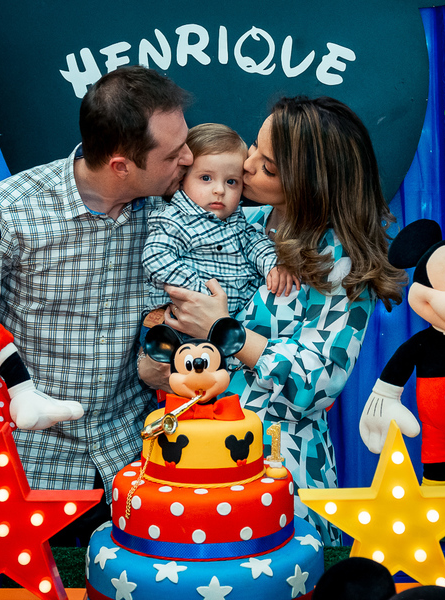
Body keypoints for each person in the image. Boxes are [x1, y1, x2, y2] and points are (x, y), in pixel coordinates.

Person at [152, 96, 407, 545]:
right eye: (254, 148)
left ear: (310, 185)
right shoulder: (236, 217)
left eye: (267, 167)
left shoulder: (339, 261)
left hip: (278, 462)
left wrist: (225, 331)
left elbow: (316, 384)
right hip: (196, 448)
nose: (247, 165)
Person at [0, 66, 193, 544]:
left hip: (133, 459)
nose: (189, 158)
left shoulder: (178, 211)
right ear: (121, 165)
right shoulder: (10, 210)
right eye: (173, 153)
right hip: (27, 463)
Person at [141, 123, 297, 321]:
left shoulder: (236, 220)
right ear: (182, 179)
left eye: (231, 182)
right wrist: (199, 291)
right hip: (178, 319)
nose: (219, 190)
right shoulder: (175, 219)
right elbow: (155, 257)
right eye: (206, 178)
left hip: (224, 322)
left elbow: (255, 243)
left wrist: (273, 264)